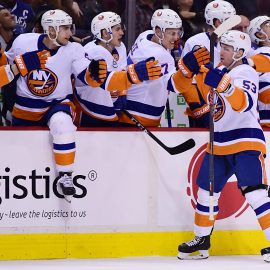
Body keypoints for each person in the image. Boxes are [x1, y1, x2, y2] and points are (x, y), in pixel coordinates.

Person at [0, 9, 160, 201]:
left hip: (57, 104)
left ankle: (66, 176)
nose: (70, 33)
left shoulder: (74, 50)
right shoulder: (23, 42)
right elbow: (4, 71)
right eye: (65, 29)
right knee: (20, 155)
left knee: (63, 124)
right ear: (51, 30)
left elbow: (98, 81)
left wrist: (130, 75)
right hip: (26, 108)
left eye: (70, 28)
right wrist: (17, 67)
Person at [177, 30, 270, 263]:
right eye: (222, 47)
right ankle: (201, 239)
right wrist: (187, 69)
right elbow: (181, 88)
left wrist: (223, 84)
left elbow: (244, 103)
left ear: (239, 52)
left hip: (245, 140)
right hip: (218, 142)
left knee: (255, 193)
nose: (222, 52)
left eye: (227, 48)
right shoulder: (218, 72)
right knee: (206, 192)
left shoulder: (245, 71)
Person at [116, 8, 210, 127]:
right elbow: (175, 86)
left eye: (178, 33)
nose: (176, 38)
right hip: (141, 115)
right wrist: (187, 70)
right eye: (172, 33)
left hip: (128, 106)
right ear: (159, 32)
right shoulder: (160, 55)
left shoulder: (144, 36)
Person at [181, 0, 236, 127]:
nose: (233, 26)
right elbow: (186, 78)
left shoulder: (237, 42)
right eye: (230, 21)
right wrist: (198, 108)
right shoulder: (194, 42)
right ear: (218, 22)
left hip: (230, 108)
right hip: (203, 111)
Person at [74, 11, 128, 127]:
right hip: (90, 110)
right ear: (105, 33)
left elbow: (122, 72)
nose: (122, 33)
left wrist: (121, 95)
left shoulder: (120, 47)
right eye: (117, 29)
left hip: (110, 110)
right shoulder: (93, 51)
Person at [247, 16, 270, 127]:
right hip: (266, 124)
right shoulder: (262, 56)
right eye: (267, 24)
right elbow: (265, 95)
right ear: (259, 34)